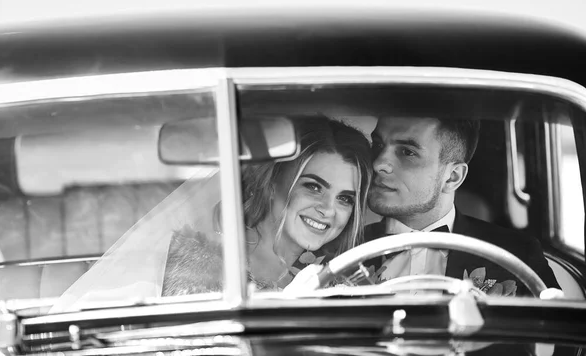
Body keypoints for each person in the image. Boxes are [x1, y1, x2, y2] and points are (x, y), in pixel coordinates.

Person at [50, 116, 373, 312]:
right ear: (272, 183)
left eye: (345, 199)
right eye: (314, 187)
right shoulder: (190, 263)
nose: (329, 210)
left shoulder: (339, 286)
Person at [364, 116, 560, 297]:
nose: (379, 163)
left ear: (452, 177)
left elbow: (559, 331)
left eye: (408, 152)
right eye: (378, 144)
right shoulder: (344, 247)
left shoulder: (517, 255)